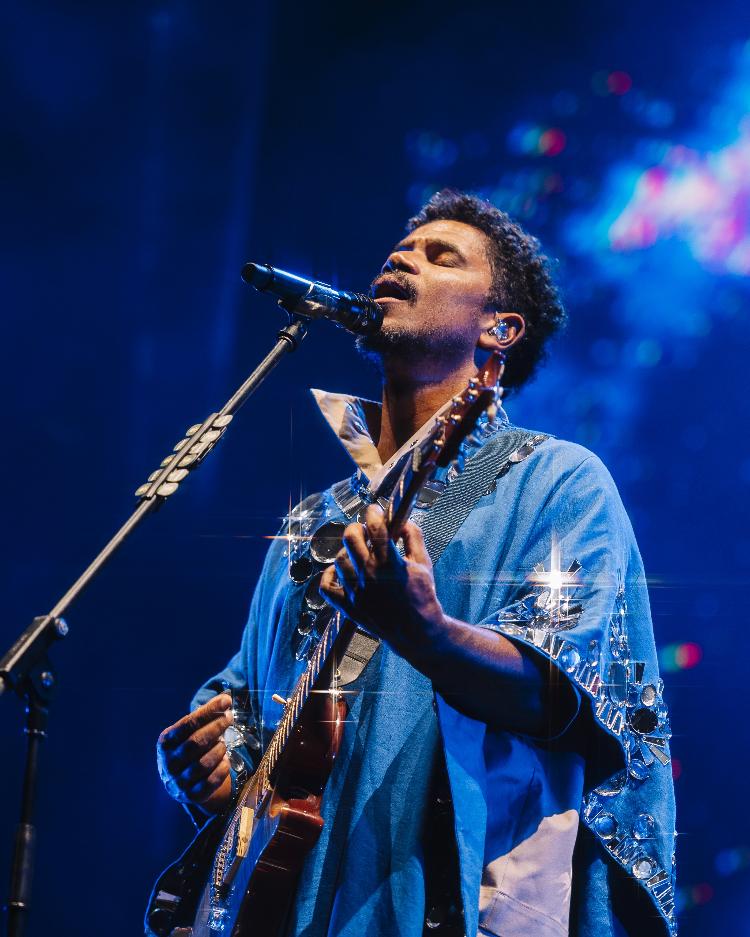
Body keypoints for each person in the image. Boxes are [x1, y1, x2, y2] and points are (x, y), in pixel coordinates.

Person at [156, 190, 677, 936]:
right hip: (290, 903)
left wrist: (426, 630)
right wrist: (208, 755)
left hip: (460, 894)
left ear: (500, 329)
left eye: (442, 256)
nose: (403, 257)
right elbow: (247, 701)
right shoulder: (313, 522)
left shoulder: (560, 479)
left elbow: (571, 693)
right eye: (403, 249)